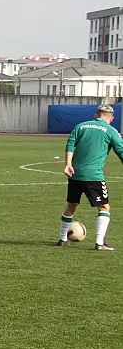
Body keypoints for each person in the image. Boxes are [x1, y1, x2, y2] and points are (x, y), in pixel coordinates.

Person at [58, 105, 123, 250]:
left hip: (74, 174)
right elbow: (121, 151)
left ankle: (62, 239)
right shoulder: (111, 131)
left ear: (96, 115)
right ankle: (99, 243)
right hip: (94, 176)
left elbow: (70, 143)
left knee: (71, 206)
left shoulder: (81, 126)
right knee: (104, 207)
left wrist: (68, 164)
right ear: (112, 118)